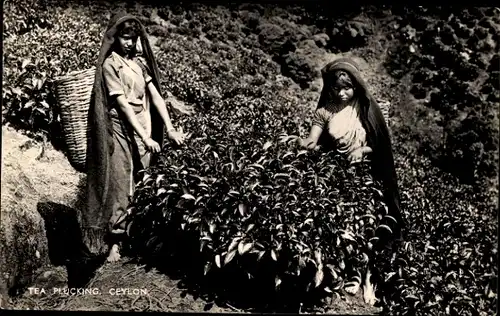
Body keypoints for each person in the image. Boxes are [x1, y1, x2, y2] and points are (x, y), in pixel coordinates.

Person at [82, 12, 189, 264]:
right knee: (121, 182)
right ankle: (116, 242)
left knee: (144, 180)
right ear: (115, 37)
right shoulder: (111, 64)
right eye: (124, 37)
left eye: (133, 38)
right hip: (120, 128)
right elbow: (123, 105)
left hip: (144, 125)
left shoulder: (140, 64)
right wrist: (144, 138)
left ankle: (139, 236)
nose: (129, 43)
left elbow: (156, 96)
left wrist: (170, 128)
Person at [298, 57, 405, 305]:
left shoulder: (368, 108)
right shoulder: (324, 112)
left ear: (356, 87)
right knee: (346, 224)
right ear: (330, 88)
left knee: (369, 226)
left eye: (347, 88)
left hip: (369, 175)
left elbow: (379, 143)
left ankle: (369, 280)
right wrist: (304, 143)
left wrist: (362, 150)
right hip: (341, 174)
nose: (342, 93)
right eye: (337, 88)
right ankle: (351, 273)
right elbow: (313, 140)